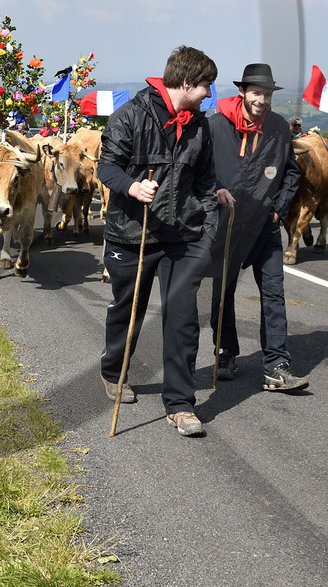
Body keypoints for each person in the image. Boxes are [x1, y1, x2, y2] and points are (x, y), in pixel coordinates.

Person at [98, 45, 226, 438]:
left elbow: (205, 181)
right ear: (186, 82)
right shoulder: (130, 116)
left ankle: (181, 404)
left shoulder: (200, 127)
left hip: (182, 237)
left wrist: (208, 226)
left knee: (183, 318)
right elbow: (107, 167)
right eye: (206, 86)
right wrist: (132, 187)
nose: (209, 94)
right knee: (128, 310)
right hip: (131, 233)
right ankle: (114, 371)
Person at [206, 64, 308, 391]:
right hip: (226, 227)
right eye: (256, 93)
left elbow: (292, 172)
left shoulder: (279, 127)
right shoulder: (215, 126)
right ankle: (225, 353)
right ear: (242, 92)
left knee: (274, 293)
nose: (262, 100)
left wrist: (280, 206)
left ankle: (277, 364)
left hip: (265, 226)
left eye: (267, 94)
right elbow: (199, 171)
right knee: (223, 294)